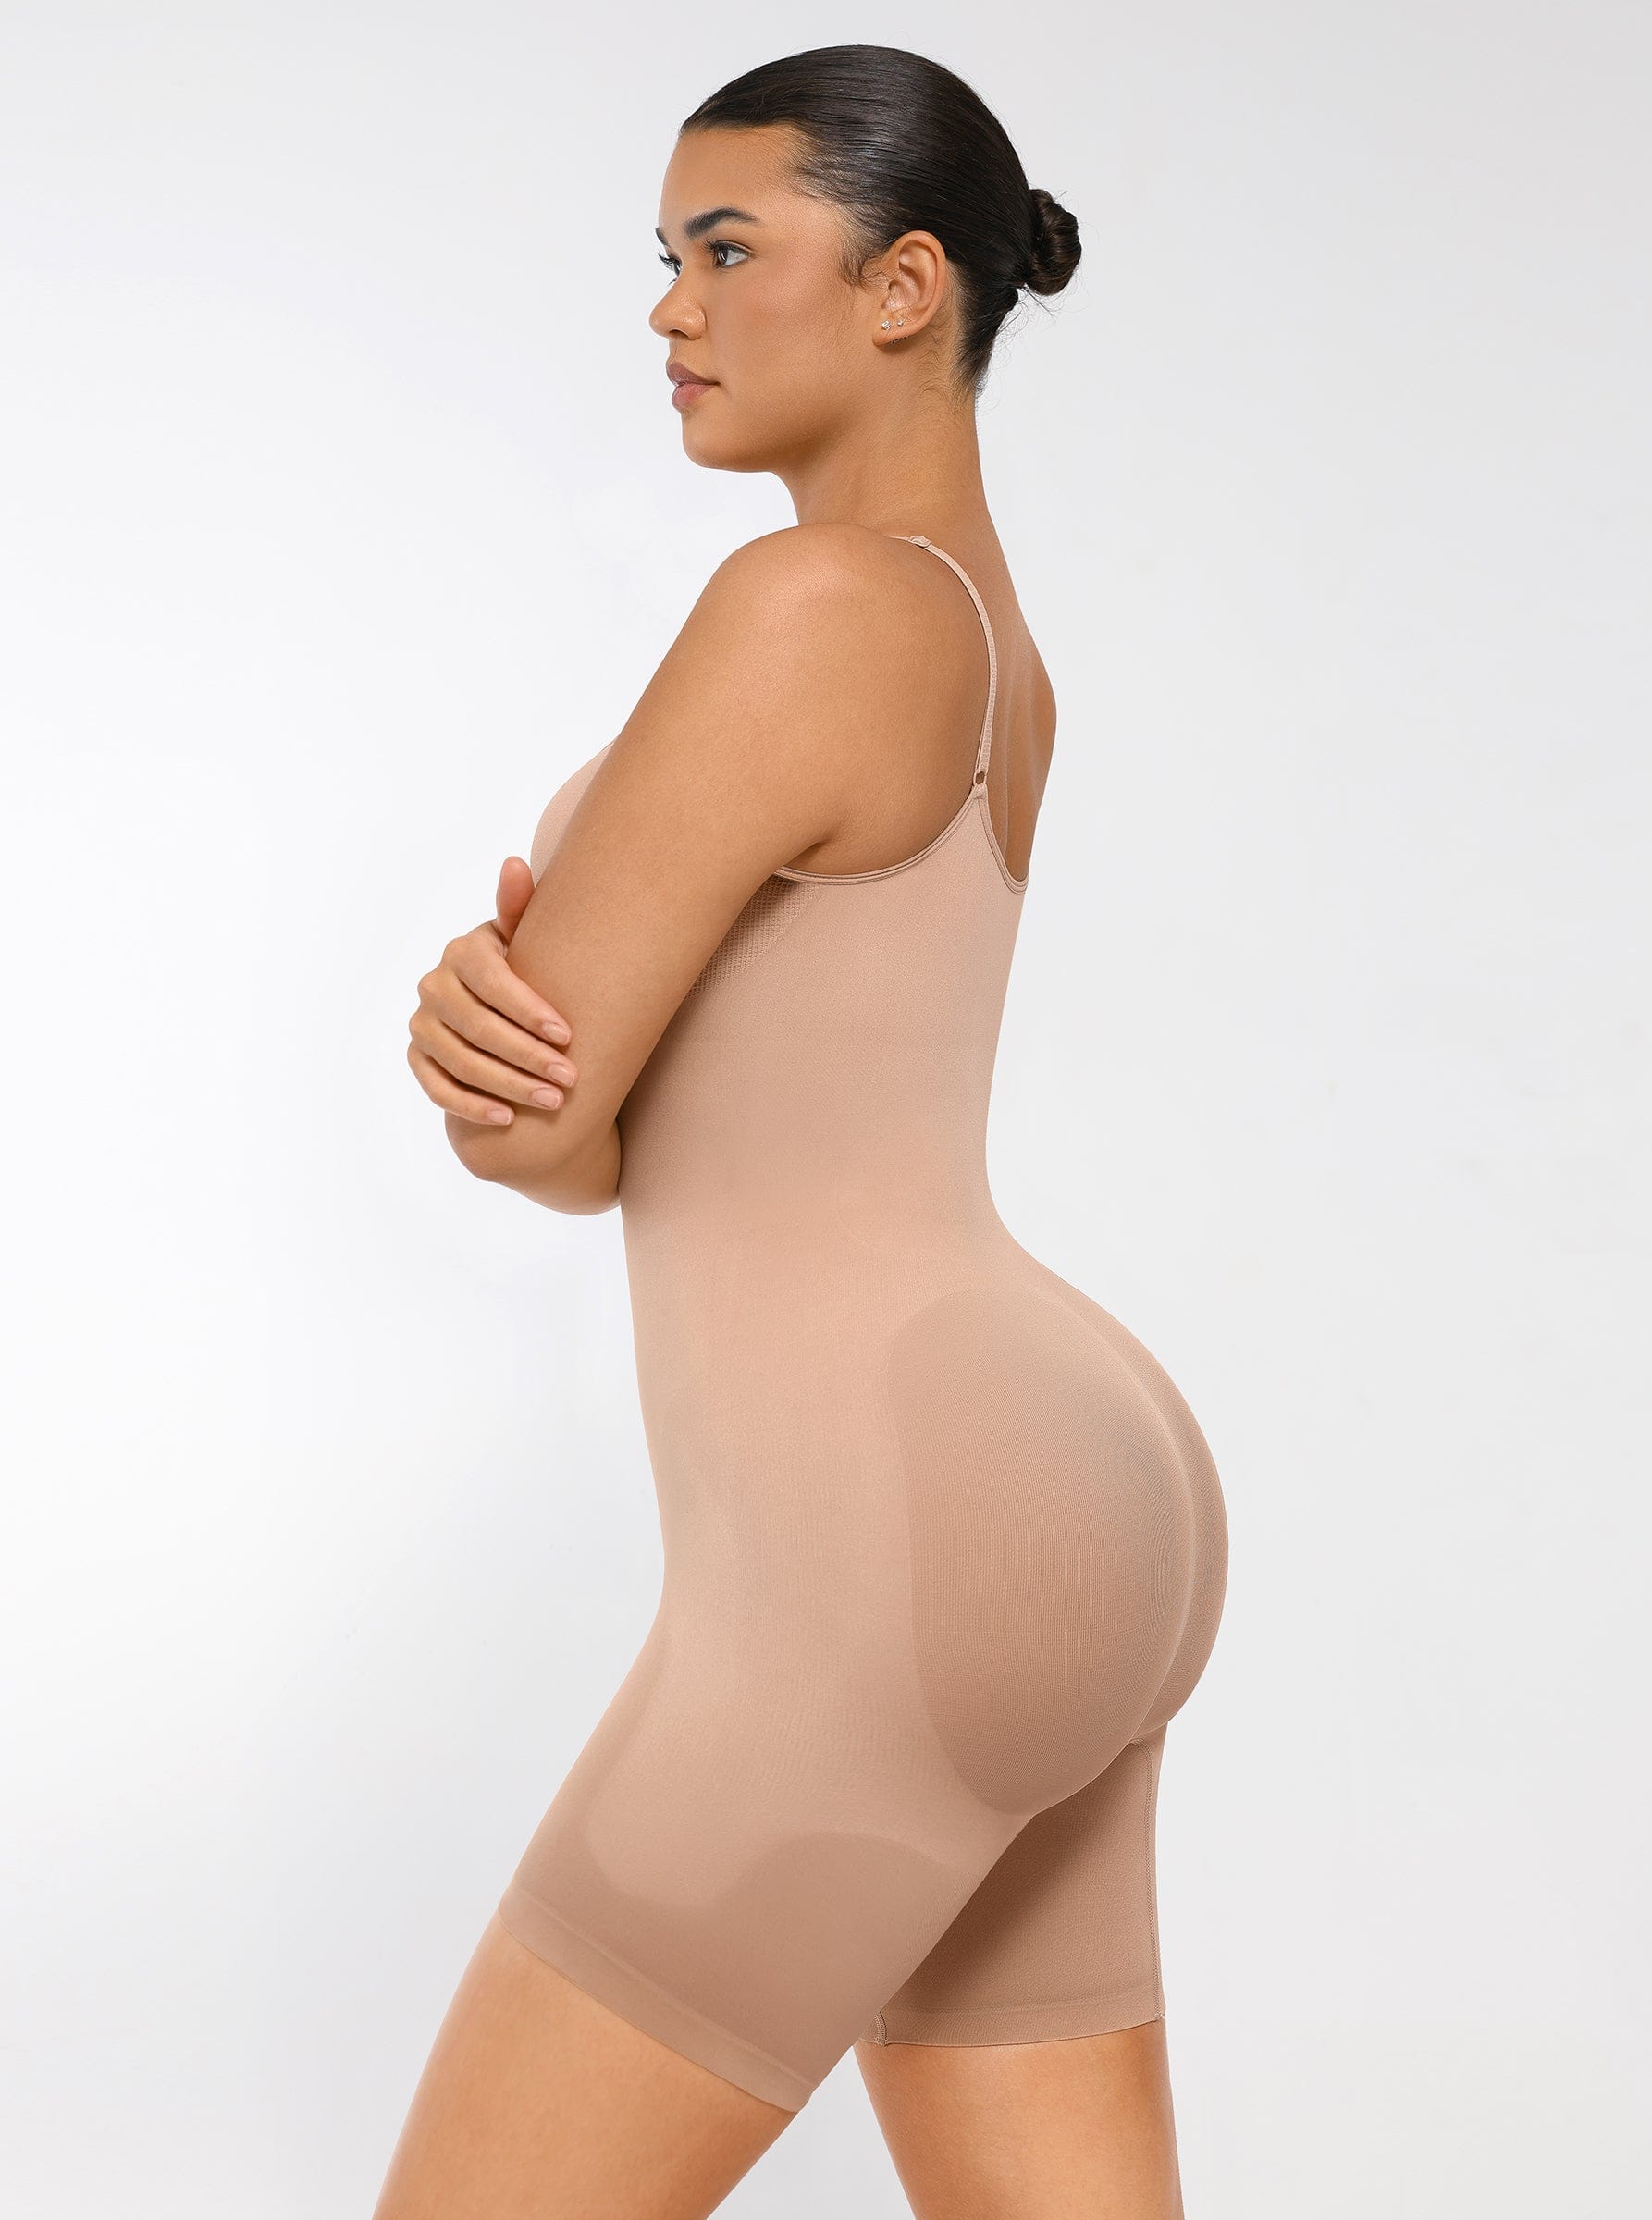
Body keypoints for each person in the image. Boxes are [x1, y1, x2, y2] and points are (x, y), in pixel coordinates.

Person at [385, 43, 1227, 2220]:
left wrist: (485, 1058)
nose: (672, 307)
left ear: (905, 287)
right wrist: (541, 1077)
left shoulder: (816, 607)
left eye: (730, 249)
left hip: (876, 1551)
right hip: (1062, 1484)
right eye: (668, 257)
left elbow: (554, 1132)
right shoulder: (988, 642)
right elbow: (638, 1110)